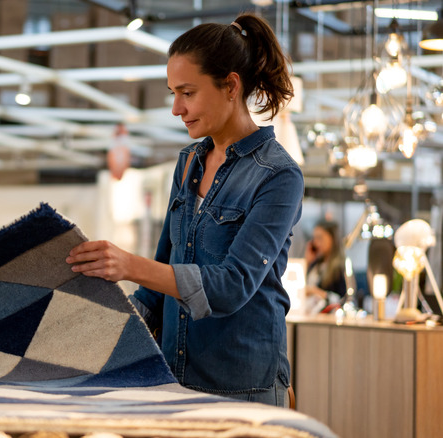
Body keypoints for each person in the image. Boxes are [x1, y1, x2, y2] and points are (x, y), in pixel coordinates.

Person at [66, 13, 302, 408]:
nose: (176, 108)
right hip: (174, 382)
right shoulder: (189, 161)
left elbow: (232, 286)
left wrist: (126, 264)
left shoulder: (278, 175)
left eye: (187, 93)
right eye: (173, 92)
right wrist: (96, 341)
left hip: (241, 390)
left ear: (230, 85)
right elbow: (164, 272)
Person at [304, 220, 347, 312]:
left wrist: (316, 291)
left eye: (320, 238)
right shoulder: (316, 264)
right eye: (314, 238)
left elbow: (342, 300)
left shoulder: (339, 268)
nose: (315, 243)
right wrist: (307, 262)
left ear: (332, 239)